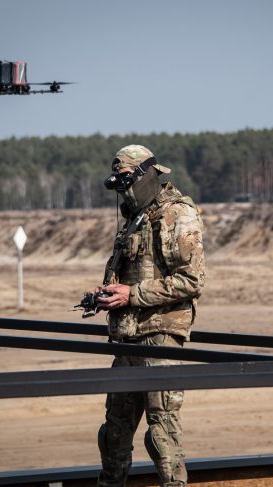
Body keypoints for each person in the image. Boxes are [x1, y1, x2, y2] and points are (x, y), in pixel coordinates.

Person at [85, 144, 205, 487]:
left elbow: (192, 280)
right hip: (127, 338)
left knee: (162, 435)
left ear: (146, 174)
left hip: (159, 338)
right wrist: (106, 294)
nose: (122, 188)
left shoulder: (177, 213)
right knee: (113, 435)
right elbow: (131, 274)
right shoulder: (135, 218)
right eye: (117, 180)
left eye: (126, 178)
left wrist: (131, 294)